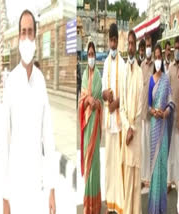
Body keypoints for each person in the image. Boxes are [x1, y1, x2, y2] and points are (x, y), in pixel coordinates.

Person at [2, 10, 56, 214]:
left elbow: (48, 138)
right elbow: (4, 141)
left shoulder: (41, 81)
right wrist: (5, 198)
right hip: (15, 189)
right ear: (18, 38)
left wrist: (52, 190)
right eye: (22, 32)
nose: (26, 37)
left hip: (37, 187)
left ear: (36, 37)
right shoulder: (11, 82)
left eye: (30, 32)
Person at [147, 44, 175, 214]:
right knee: (154, 165)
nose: (157, 60)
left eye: (159, 57)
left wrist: (165, 112)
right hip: (154, 127)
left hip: (163, 127)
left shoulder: (166, 79)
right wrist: (153, 111)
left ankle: (162, 208)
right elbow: (148, 105)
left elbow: (171, 102)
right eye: (155, 57)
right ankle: (153, 207)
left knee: (162, 165)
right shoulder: (151, 80)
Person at [101, 23, 125, 213]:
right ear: (108, 41)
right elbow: (102, 89)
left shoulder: (123, 64)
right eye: (111, 39)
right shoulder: (106, 63)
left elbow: (125, 93)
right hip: (109, 124)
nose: (113, 43)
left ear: (118, 41)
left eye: (115, 40)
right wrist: (105, 96)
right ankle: (109, 202)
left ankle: (119, 203)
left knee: (119, 165)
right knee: (109, 164)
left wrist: (116, 102)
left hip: (119, 122)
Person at [119, 30, 143, 214]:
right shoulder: (124, 71)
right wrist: (126, 127)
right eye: (129, 43)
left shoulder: (140, 72)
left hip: (135, 133)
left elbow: (141, 106)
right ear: (127, 46)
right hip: (127, 133)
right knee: (127, 177)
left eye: (133, 43)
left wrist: (132, 128)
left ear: (137, 46)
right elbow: (121, 107)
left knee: (136, 180)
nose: (131, 46)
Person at [79, 41, 102, 214]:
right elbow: (82, 99)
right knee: (88, 162)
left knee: (95, 163)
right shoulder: (85, 75)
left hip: (96, 125)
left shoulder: (99, 75)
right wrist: (87, 100)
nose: (92, 57)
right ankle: (88, 205)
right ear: (87, 56)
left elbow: (100, 98)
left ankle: (95, 206)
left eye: (94, 54)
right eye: (90, 54)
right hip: (87, 126)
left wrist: (96, 102)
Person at [141, 33, 154, 188]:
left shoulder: (155, 66)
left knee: (151, 147)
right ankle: (144, 177)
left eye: (151, 45)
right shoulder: (142, 65)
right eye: (147, 46)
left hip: (152, 115)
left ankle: (151, 177)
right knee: (143, 147)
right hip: (142, 114)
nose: (149, 49)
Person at [167, 36, 179, 208]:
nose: (176, 51)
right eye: (175, 48)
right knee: (172, 155)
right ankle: (170, 181)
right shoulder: (169, 68)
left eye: (178, 48)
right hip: (171, 121)